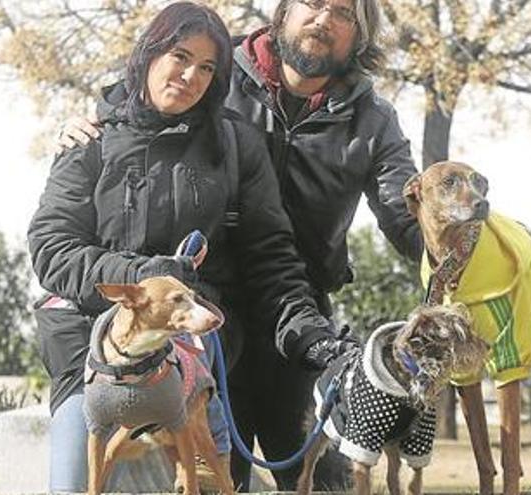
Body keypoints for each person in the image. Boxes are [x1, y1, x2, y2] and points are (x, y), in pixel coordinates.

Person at [60, 0, 423, 489]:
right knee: (218, 473)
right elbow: (140, 104)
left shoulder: (373, 119)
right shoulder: (214, 69)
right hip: (203, 306)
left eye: (343, 11)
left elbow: (409, 217)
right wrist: (89, 124)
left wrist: (464, 246)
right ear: (283, 11)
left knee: (319, 475)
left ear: (360, 34)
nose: (324, 18)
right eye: (313, 3)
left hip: (293, 308)